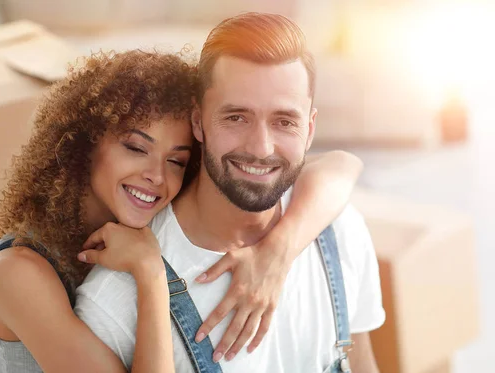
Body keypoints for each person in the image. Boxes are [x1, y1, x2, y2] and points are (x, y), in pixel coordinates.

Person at [0, 48, 364, 372]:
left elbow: (341, 167)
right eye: (136, 148)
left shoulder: (140, 216)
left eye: (176, 161)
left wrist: (278, 249)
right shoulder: (20, 272)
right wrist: (151, 273)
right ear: (85, 143)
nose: (156, 177)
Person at [75, 12, 385, 373]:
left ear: (310, 129)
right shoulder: (114, 301)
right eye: (236, 117)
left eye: (284, 121)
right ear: (198, 122)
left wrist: (278, 250)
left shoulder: (339, 230)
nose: (260, 147)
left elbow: (362, 363)